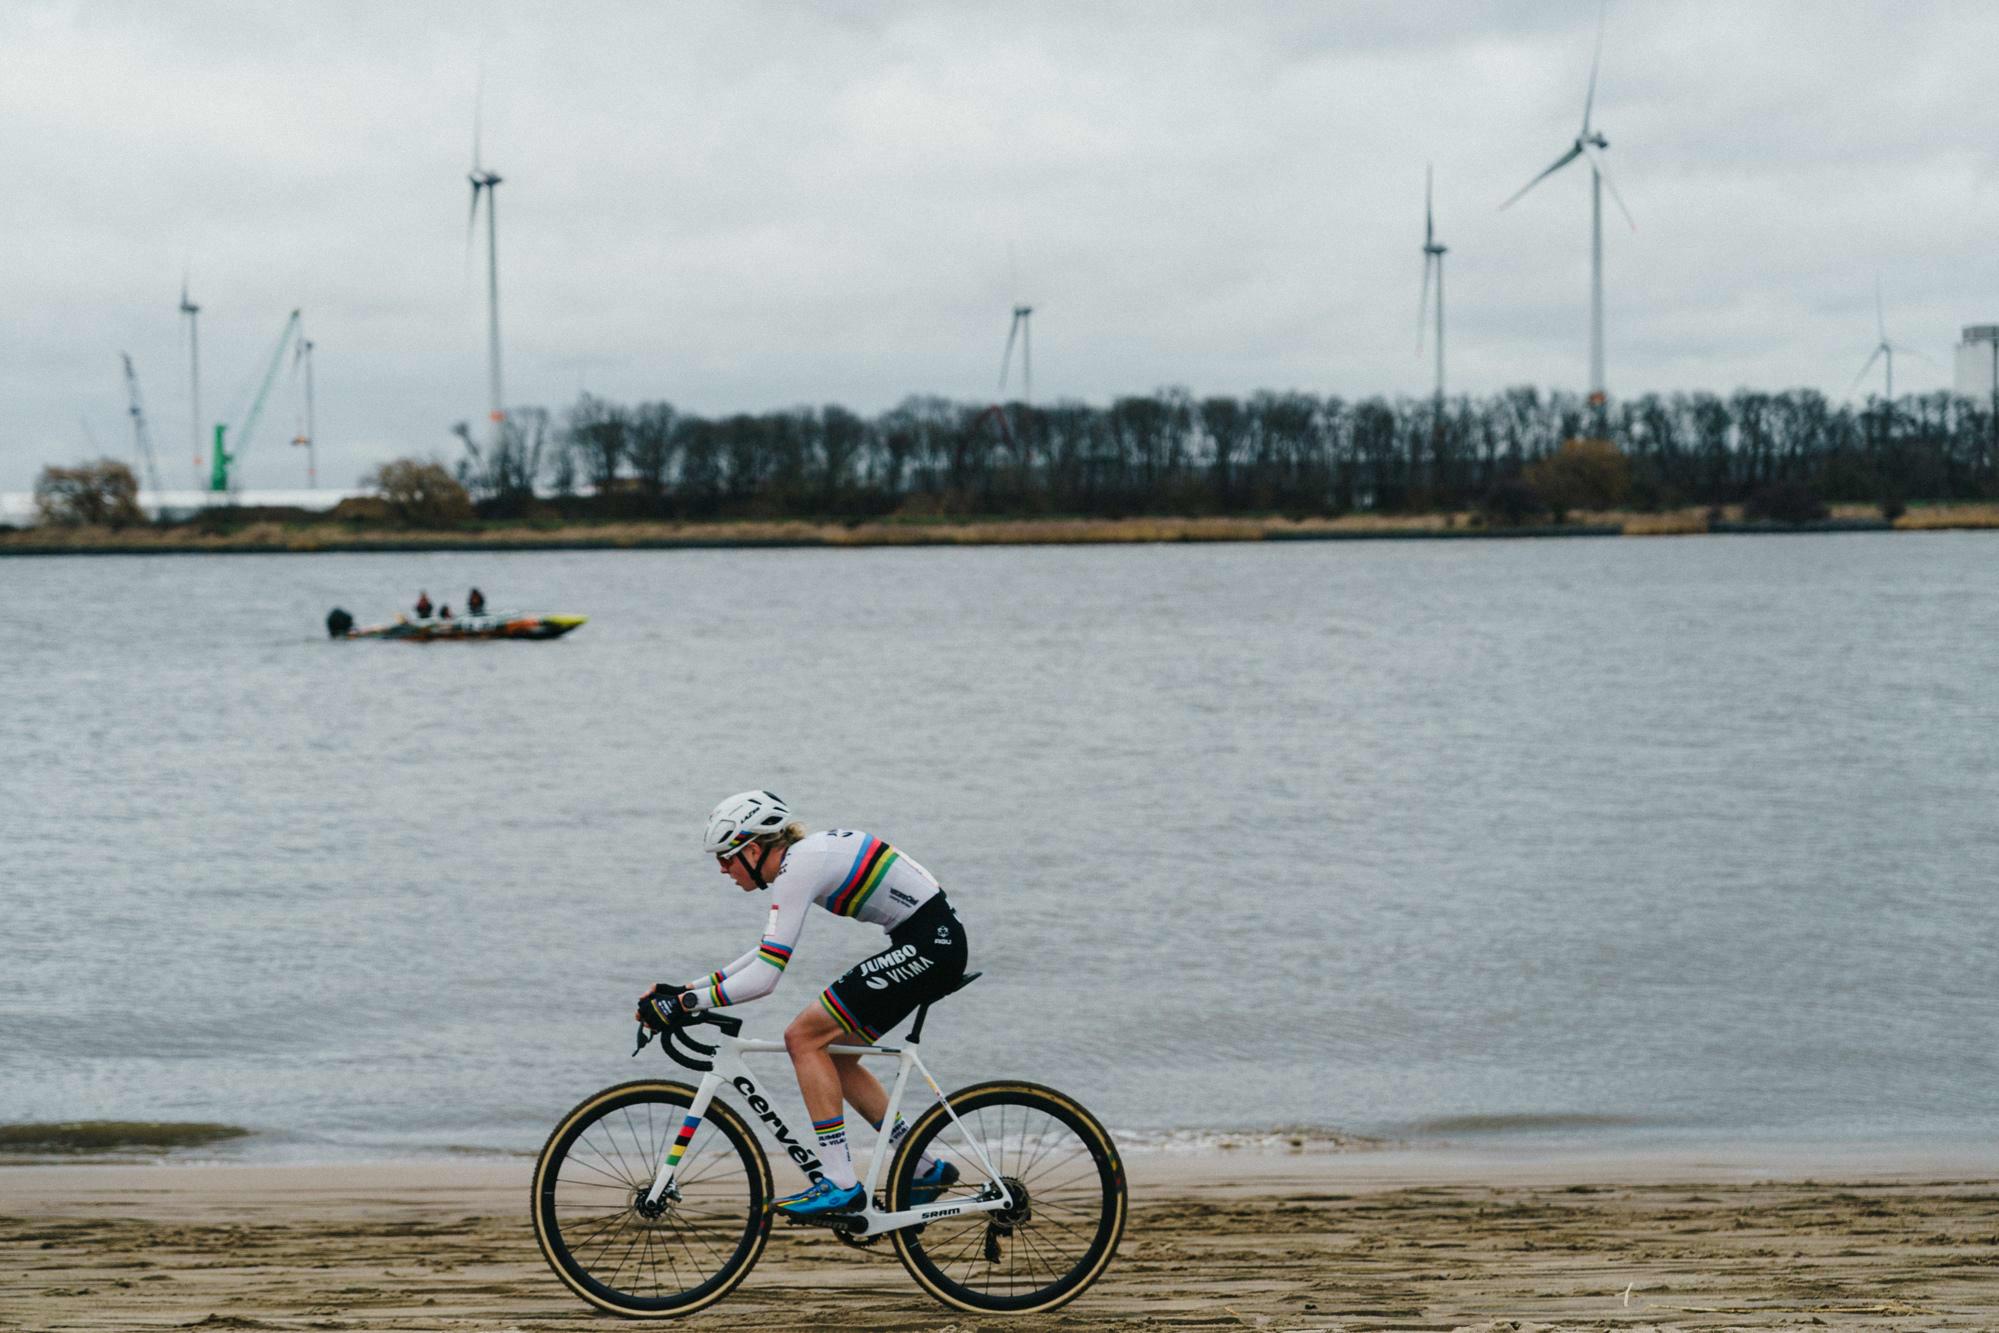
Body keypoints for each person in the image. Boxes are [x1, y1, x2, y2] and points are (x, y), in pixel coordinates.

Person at [636, 791, 968, 1219]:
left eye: (726, 857)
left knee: (803, 1038)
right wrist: (685, 990)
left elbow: (765, 980)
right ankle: (923, 1168)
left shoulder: (801, 865)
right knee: (835, 1055)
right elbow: (765, 953)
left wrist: (684, 1004)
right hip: (930, 943)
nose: (721, 869)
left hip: (930, 946)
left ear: (753, 849)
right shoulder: (804, 861)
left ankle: (841, 1183)